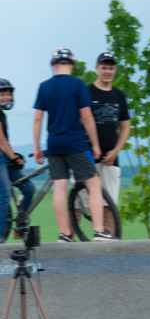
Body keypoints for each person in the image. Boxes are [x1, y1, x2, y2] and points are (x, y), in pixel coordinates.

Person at [33, 48, 118, 242]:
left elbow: (38, 119)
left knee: (60, 187)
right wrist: (95, 145)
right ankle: (99, 231)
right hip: (76, 143)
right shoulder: (78, 85)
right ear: (72, 65)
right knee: (94, 184)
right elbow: (87, 117)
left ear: (53, 65)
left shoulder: (44, 87)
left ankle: (65, 234)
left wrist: (37, 147)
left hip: (54, 144)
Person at [87, 52, 130, 205]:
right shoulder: (87, 92)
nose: (107, 72)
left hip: (110, 158)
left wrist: (116, 151)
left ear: (115, 69)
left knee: (110, 205)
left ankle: (110, 231)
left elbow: (125, 126)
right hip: (87, 156)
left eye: (110, 68)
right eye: (104, 68)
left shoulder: (119, 96)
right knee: (81, 205)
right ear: (97, 68)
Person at [0, 79, 35, 241]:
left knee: (29, 188)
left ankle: (20, 225)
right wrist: (12, 156)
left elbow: (5, 142)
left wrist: (15, 155)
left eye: (9, 94)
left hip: (5, 158)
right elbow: (0, 141)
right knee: (5, 194)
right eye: (2, 94)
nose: (7, 97)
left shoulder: (3, 115)